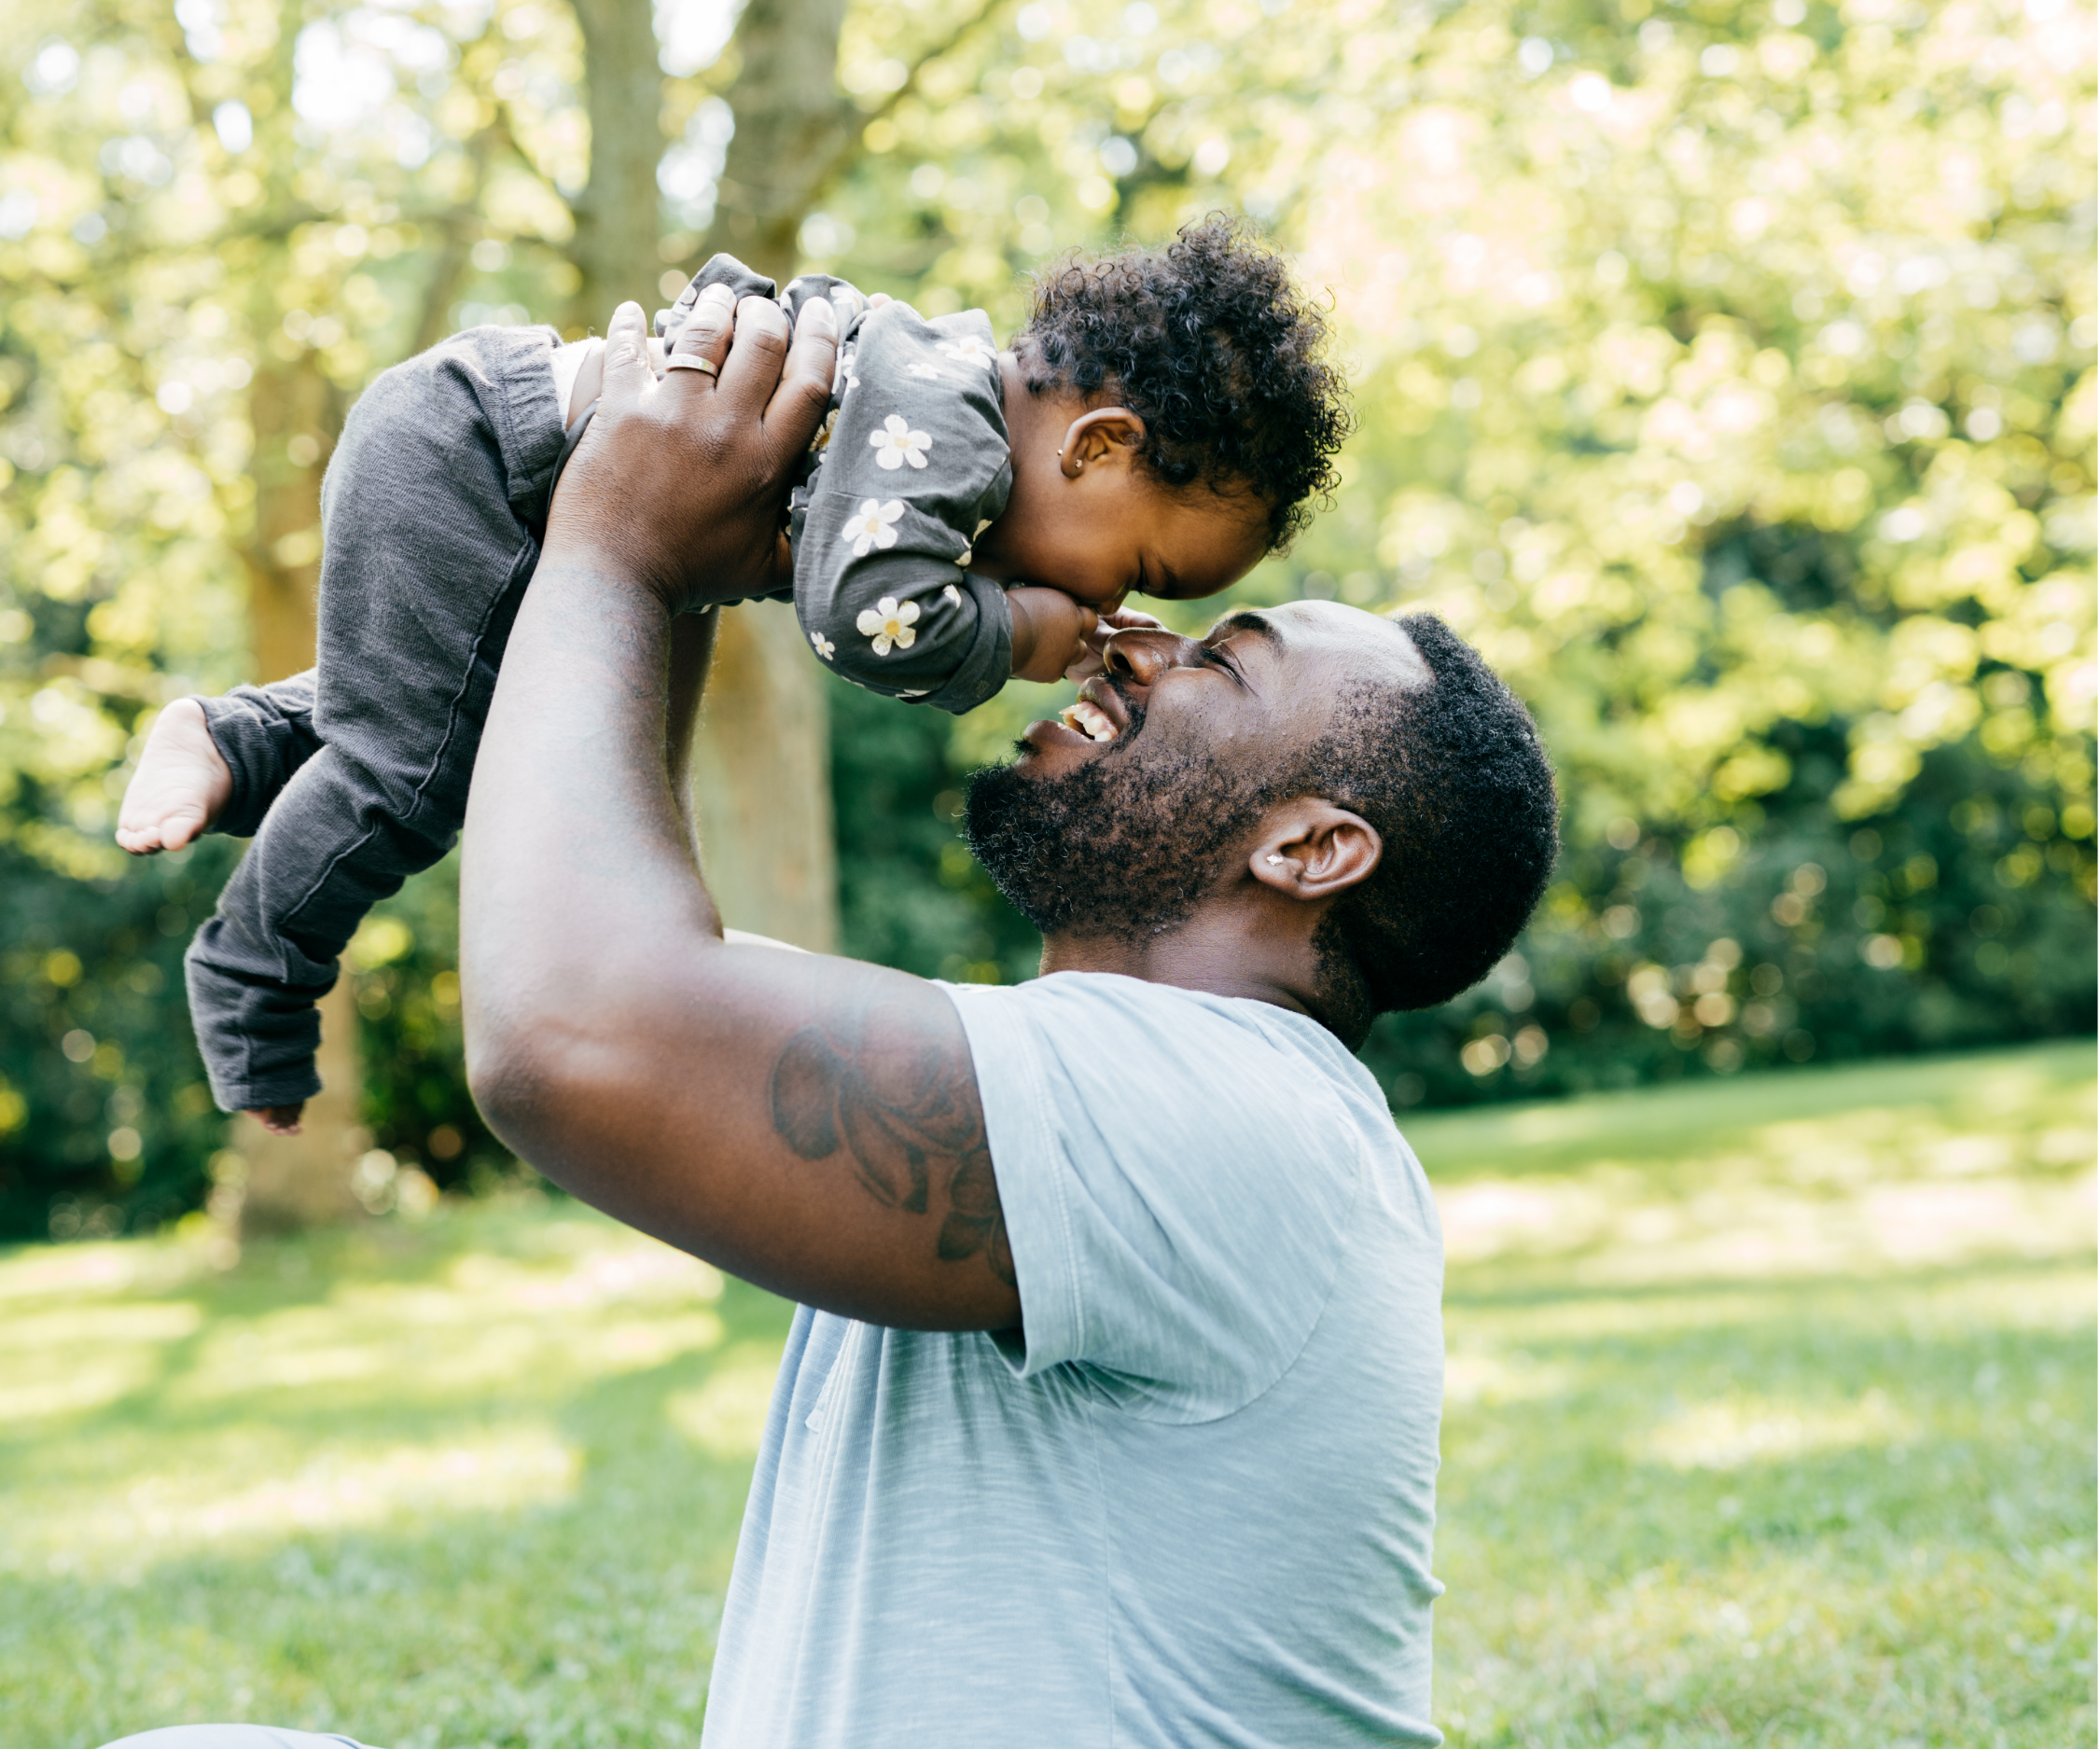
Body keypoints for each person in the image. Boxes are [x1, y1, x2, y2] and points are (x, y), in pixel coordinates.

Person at [101, 274, 1559, 1748]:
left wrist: (619, 539)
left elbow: (578, 1029)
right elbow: (630, 938)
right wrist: (667, 555)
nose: (1134, 641)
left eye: (1221, 659)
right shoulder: (1131, 1083)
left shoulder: (1236, 1114)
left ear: (1311, 849)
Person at [114, 217, 1348, 1133]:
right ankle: (255, 977)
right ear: (1101, 443)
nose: (1111, 605)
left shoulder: (944, 411)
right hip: (480, 460)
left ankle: (231, 738)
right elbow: (868, 615)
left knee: (451, 723)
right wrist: (1024, 634)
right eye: (1134, 563)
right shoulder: (954, 428)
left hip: (480, 451)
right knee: (413, 782)